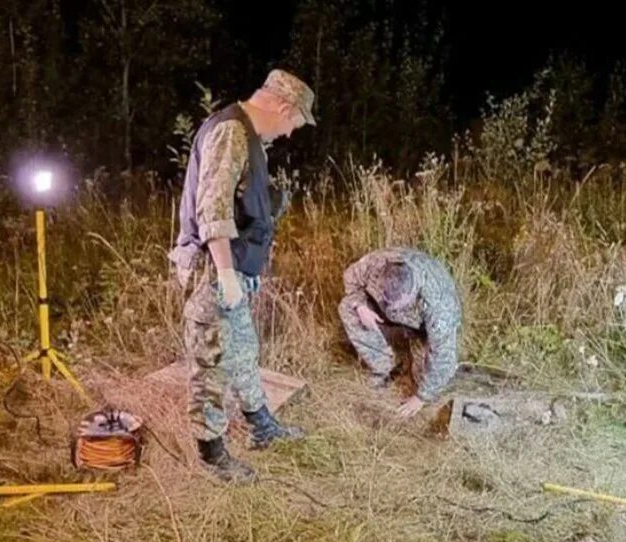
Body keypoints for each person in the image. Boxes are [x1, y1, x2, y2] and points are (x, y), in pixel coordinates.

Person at [168, 69, 314, 482]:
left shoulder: (248, 136)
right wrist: (227, 274)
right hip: (213, 271)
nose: (289, 134)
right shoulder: (231, 131)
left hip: (232, 268)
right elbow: (211, 209)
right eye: (294, 124)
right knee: (211, 362)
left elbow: (240, 199)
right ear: (284, 108)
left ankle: (262, 426)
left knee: (243, 350)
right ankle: (211, 453)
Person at [338, 248, 461, 418]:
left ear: (414, 293)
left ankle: (411, 353)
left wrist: (421, 397)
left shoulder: (440, 304)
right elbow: (350, 278)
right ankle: (384, 366)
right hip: (382, 315)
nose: (392, 307)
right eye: (388, 298)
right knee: (348, 306)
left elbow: (444, 356)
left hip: (421, 330)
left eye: (399, 304)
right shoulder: (379, 262)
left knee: (425, 384)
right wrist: (360, 306)